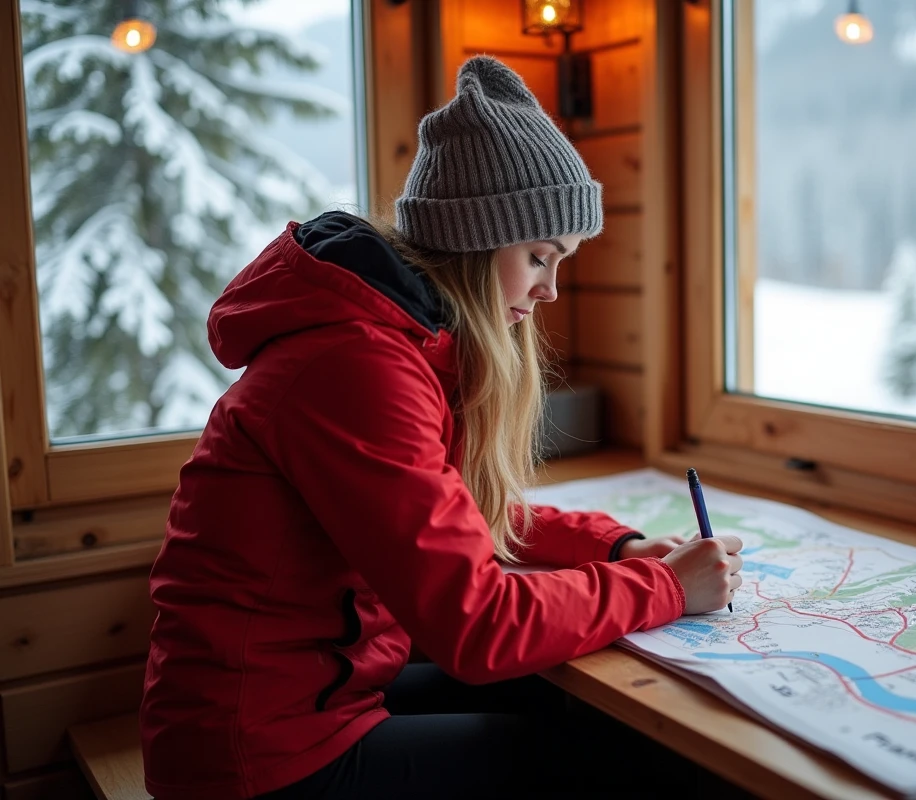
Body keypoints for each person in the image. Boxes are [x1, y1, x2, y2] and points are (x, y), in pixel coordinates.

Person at [139, 55, 744, 800]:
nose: (551, 290)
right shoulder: (358, 367)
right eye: (539, 257)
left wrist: (615, 545)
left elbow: (449, 516)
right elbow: (479, 626)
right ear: (476, 240)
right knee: (604, 756)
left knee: (563, 704)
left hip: (320, 693)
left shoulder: (396, 343)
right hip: (256, 755)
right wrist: (664, 587)